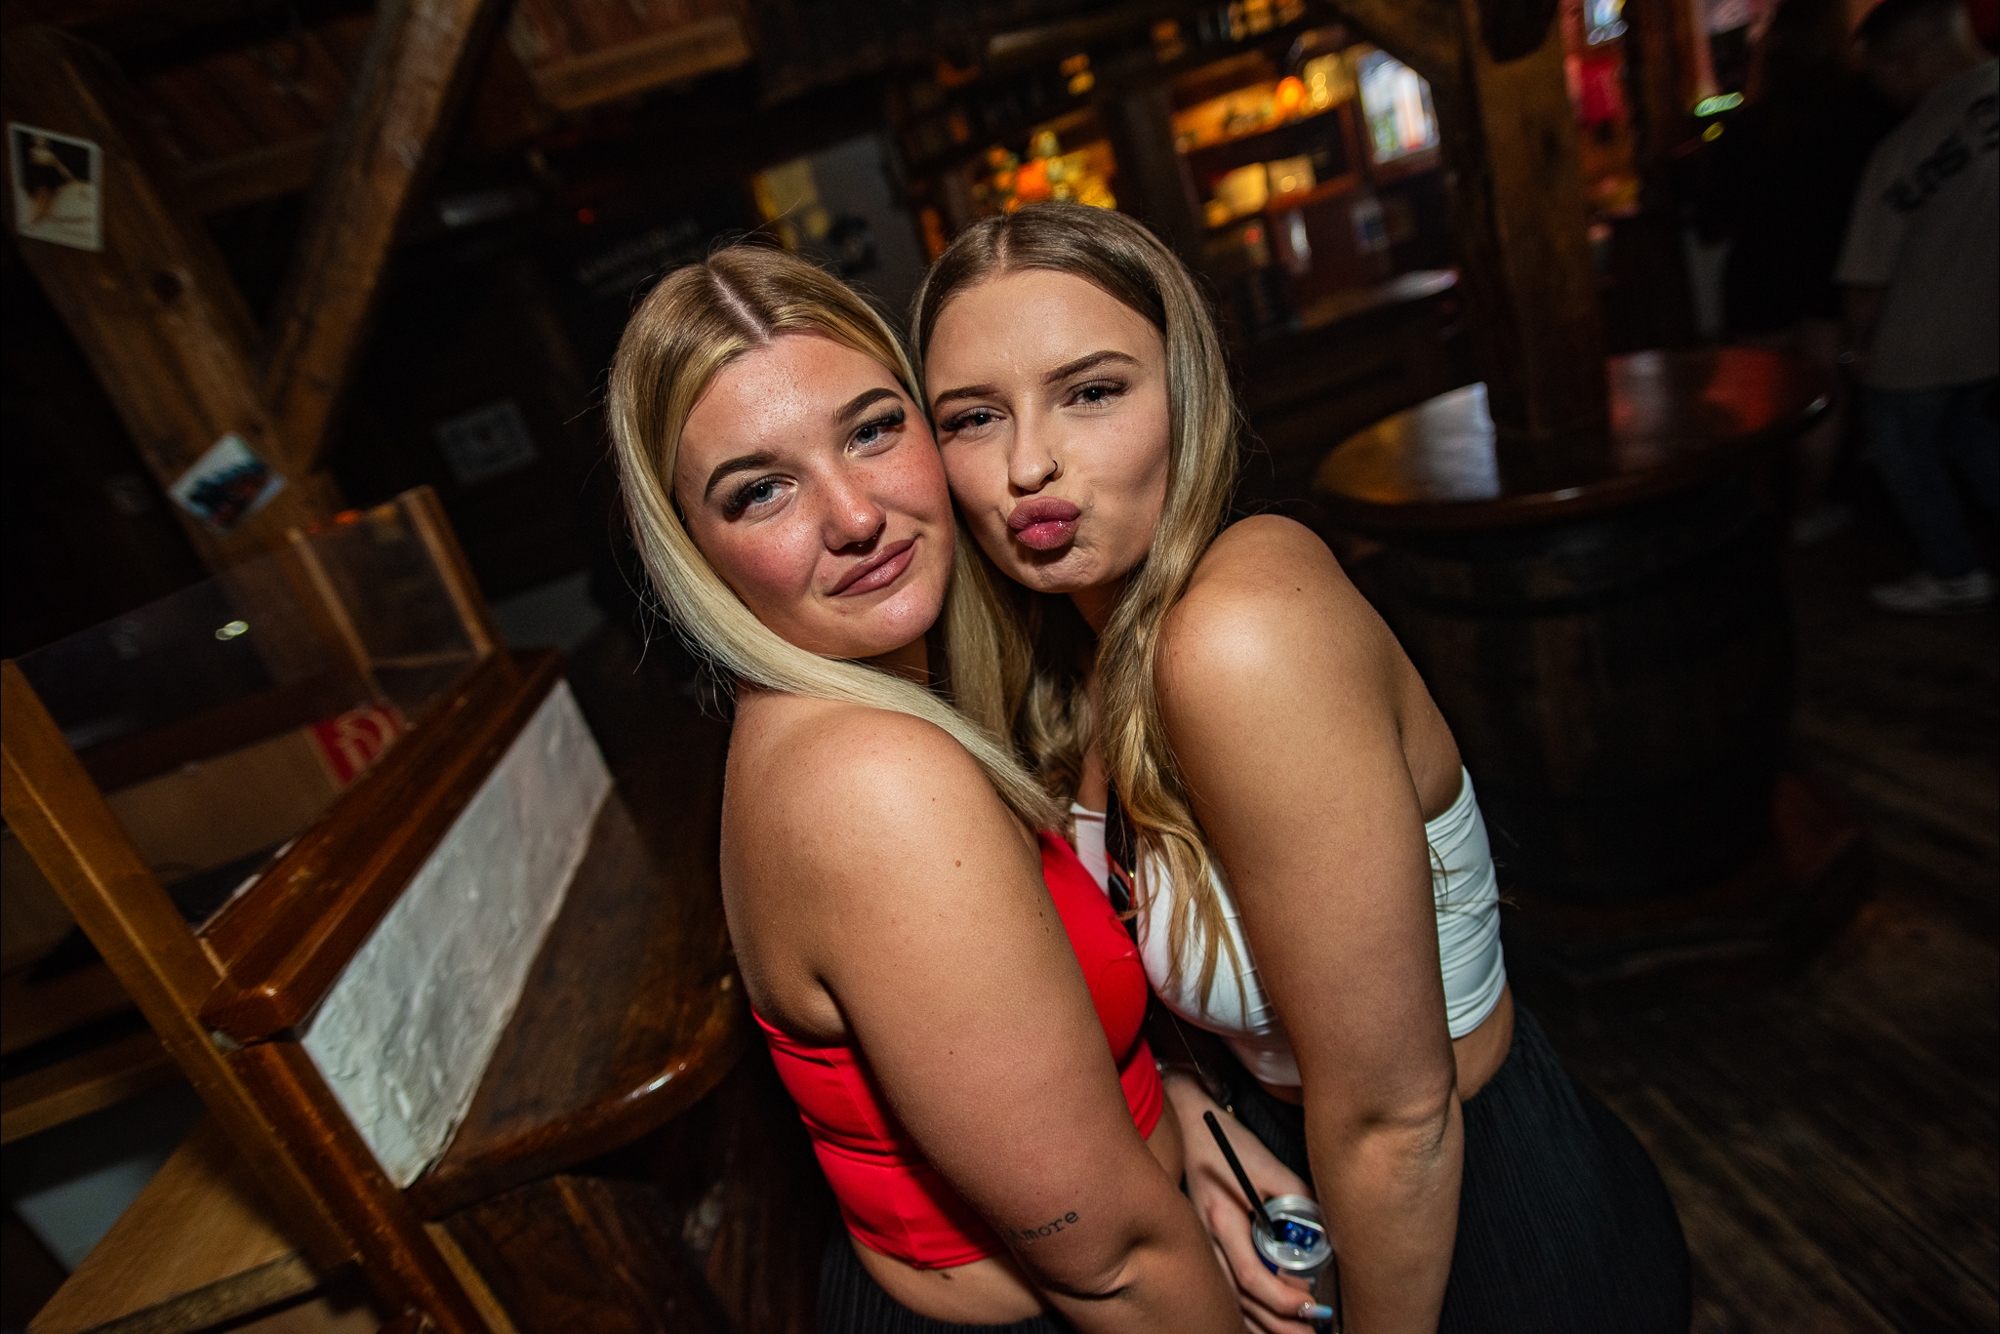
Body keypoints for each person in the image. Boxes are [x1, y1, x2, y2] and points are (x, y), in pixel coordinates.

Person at [912, 202, 1692, 1334]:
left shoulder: (1241, 634)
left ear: (1187, 394)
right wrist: (1196, 1115)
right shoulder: (1078, 664)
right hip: (1315, 1184)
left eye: (1091, 391)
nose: (1028, 461)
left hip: (1481, 1226)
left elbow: (1397, 1118)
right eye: (974, 416)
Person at [606, 244, 1239, 1334]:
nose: (853, 514)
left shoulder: (876, 721)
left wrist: (1183, 1127)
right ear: (693, 549)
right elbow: (1109, 1264)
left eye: (870, 430)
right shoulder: (875, 783)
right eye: (760, 490)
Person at [1696, 0, 1899, 541]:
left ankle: (1760, 510)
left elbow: (1710, 221)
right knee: (1822, 393)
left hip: (1759, 273)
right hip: (1830, 267)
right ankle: (1807, 511)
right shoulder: (1867, 112)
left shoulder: (1746, 126)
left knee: (1755, 402)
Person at [1837, 0, 1998, 612]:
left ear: (1901, 63)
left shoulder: (1906, 148)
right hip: (1987, 337)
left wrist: (1858, 345)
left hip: (1919, 348)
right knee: (1970, 436)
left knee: (1907, 455)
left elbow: (1866, 273)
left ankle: (1953, 571)